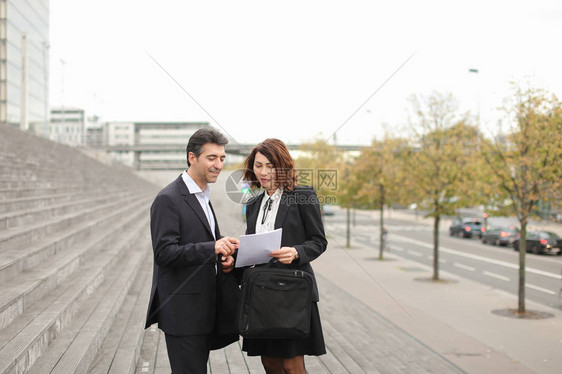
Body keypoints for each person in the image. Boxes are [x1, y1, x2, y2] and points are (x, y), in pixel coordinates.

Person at [145, 128, 240, 374]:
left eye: (222, 158)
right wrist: (212, 247)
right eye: (212, 158)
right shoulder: (168, 198)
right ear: (192, 158)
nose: (218, 164)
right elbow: (164, 253)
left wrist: (224, 253)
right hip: (183, 313)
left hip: (204, 309)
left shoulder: (203, 196)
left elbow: (203, 241)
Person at [241, 138, 327, 374]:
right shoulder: (253, 204)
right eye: (258, 165)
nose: (264, 172)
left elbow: (319, 241)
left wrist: (297, 251)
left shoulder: (303, 195)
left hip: (292, 293)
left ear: (283, 166)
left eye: (270, 165)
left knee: (291, 365)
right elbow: (253, 247)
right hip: (262, 294)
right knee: (269, 363)